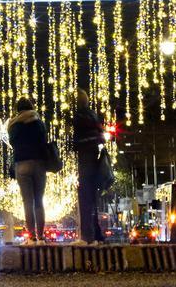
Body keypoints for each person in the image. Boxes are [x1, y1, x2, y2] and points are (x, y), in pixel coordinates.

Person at [8, 97, 49, 244]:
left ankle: (31, 237)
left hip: (22, 163)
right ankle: (41, 237)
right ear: (31, 107)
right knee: (39, 201)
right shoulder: (38, 122)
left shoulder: (13, 125)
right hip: (39, 163)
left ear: (17, 109)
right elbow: (44, 141)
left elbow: (12, 143)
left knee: (27, 202)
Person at [72, 90, 106, 245]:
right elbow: (101, 135)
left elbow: (78, 138)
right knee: (91, 198)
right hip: (93, 156)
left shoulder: (79, 117)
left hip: (86, 157)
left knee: (85, 197)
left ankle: (87, 237)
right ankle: (95, 235)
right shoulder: (93, 116)